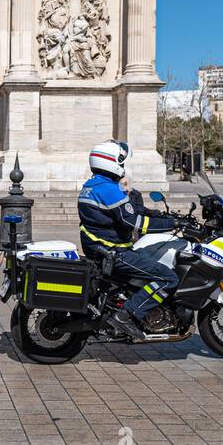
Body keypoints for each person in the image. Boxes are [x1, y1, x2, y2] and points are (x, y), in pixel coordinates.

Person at [78, 140, 177, 340]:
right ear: (110, 162)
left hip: (102, 249)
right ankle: (128, 314)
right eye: (120, 162)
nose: (123, 167)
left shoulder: (92, 185)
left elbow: (129, 210)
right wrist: (172, 224)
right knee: (168, 278)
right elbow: (131, 220)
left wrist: (158, 215)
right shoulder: (108, 188)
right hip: (115, 253)